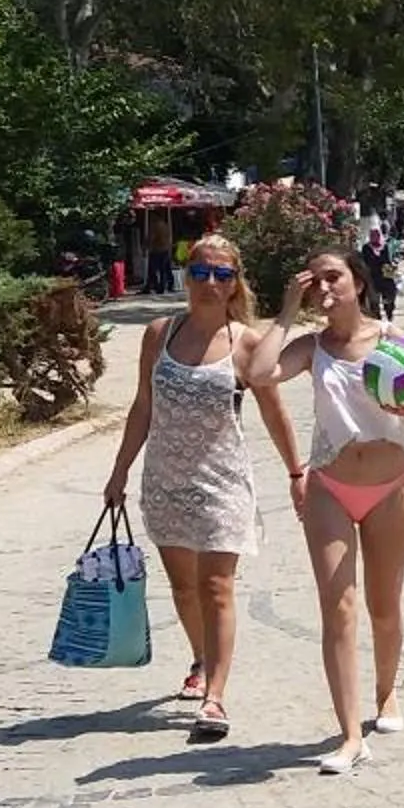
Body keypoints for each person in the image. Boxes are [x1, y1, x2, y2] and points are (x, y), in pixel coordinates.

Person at [101, 235, 301, 742]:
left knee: (216, 586)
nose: (210, 283)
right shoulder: (159, 334)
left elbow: (274, 413)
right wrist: (120, 470)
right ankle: (199, 656)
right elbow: (143, 406)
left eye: (222, 275)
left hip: (223, 482)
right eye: (201, 272)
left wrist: (297, 472)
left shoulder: (247, 343)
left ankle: (214, 696)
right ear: (186, 275)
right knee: (184, 587)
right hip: (165, 479)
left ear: (236, 283)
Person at [245, 248, 404, 776]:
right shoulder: (311, 348)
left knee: (383, 605)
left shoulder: (392, 342)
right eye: (316, 280)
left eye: (334, 278)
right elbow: (260, 373)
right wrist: (285, 312)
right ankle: (351, 736)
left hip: (391, 488)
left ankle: (387, 692)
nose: (325, 288)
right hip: (330, 485)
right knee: (338, 607)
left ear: (358, 283)